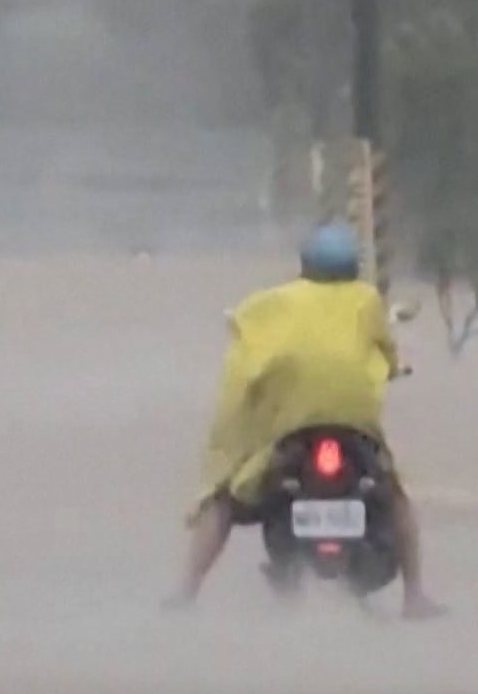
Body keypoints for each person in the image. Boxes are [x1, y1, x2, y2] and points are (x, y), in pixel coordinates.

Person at [166, 223, 445, 620]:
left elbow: (245, 348)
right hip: (354, 428)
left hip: (290, 428)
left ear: (305, 267)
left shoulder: (273, 303)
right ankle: (415, 597)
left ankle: (186, 592)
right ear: (352, 267)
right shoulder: (366, 300)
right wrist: (394, 368)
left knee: (225, 497)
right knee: (394, 494)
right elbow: (387, 351)